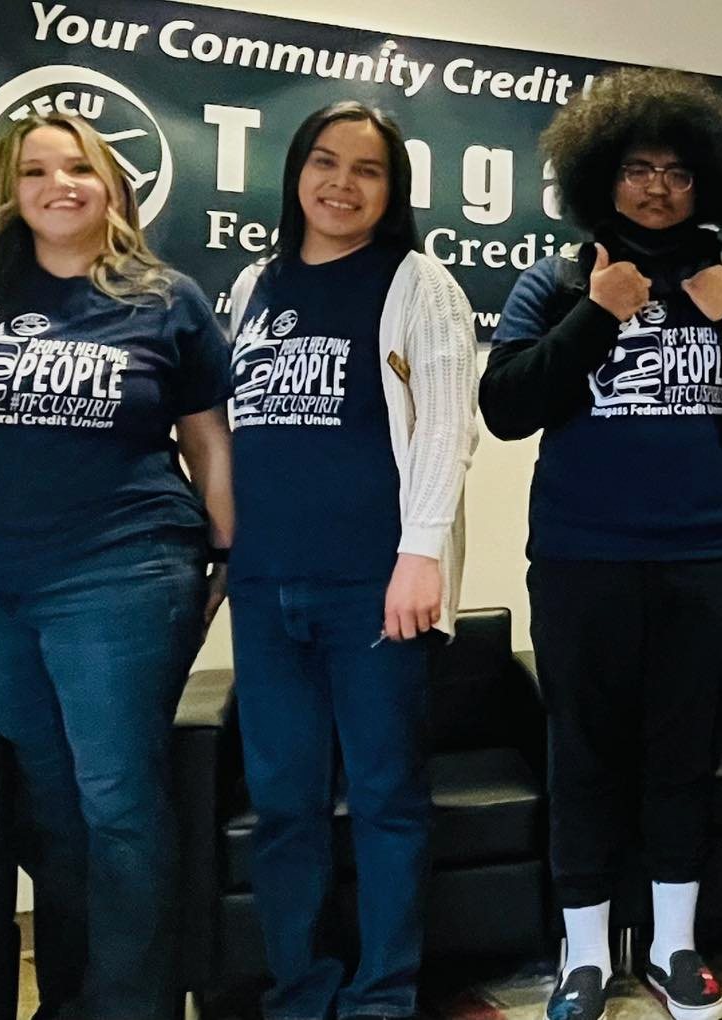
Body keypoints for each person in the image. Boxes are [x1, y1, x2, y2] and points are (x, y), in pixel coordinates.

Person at [480, 67, 722, 1020]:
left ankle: (675, 946)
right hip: (583, 558)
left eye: (677, 171)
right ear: (601, 177)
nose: (658, 187)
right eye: (637, 169)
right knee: (583, 752)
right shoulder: (555, 280)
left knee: (683, 753)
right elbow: (506, 408)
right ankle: (583, 954)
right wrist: (598, 311)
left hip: (704, 558)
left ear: (708, 182)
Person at [0, 113, 233, 1019]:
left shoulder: (164, 299)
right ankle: (73, 995)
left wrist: (226, 554)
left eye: (78, 166)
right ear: (10, 187)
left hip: (121, 570)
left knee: (117, 794)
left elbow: (208, 441)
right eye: (35, 169)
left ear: (110, 183)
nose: (58, 184)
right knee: (45, 805)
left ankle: (131, 1004)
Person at [226, 100, 478, 1020]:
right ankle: (300, 992)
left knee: (385, 801)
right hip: (264, 588)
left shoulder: (417, 282)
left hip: (374, 590)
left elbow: (450, 425)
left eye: (366, 169)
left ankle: (382, 996)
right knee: (285, 807)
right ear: (296, 173)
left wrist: (420, 558)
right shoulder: (255, 283)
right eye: (325, 162)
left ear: (393, 189)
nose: (342, 183)